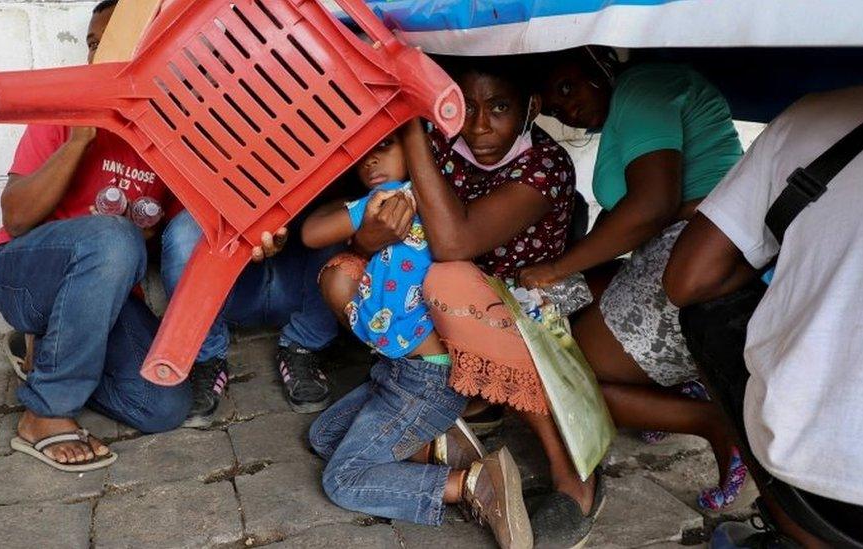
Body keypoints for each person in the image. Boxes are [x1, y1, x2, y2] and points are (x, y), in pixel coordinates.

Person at [330, 55, 587, 547]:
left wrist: (410, 131)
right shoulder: (449, 144)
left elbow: (453, 244)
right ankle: (434, 414)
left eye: (499, 107)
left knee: (452, 279)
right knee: (342, 274)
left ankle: (570, 470)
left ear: (532, 107)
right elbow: (362, 219)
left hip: (519, 298)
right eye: (464, 109)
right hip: (444, 294)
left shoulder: (545, 166)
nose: (480, 125)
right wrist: (365, 240)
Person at [664, 85, 863, 548]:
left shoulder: (822, 111)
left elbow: (688, 281)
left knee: (707, 315)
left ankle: (793, 526)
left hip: (827, 488)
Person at [519, 46, 749, 512]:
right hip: (681, 246)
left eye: (569, 87)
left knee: (566, 373)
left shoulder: (645, 86)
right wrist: (570, 275)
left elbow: (652, 205)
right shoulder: (630, 105)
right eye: (559, 106)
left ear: (598, 61)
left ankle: (713, 421)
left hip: (702, 254)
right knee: (550, 316)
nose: (571, 109)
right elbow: (629, 217)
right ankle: (670, 385)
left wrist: (557, 269)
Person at [303, 132, 531, 549]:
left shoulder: (388, 199)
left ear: (417, 151)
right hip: (398, 372)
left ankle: (472, 484)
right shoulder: (437, 205)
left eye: (384, 146)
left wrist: (358, 213)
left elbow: (311, 234)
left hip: (423, 382)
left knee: (342, 479)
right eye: (362, 156)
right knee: (323, 436)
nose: (371, 162)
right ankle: (437, 446)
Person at [0, 0, 187, 470]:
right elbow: (16, 219)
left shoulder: (172, 137)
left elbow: (169, 244)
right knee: (113, 237)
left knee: (162, 408)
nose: (100, 58)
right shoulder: (64, 111)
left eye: (114, 45)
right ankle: (47, 412)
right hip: (24, 278)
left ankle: (47, 352)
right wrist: (80, 140)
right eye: (93, 45)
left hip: (105, 299)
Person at [161, 203, 341, 425]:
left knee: (339, 215)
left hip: (297, 283)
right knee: (184, 230)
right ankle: (206, 356)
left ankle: (302, 346)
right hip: (234, 284)